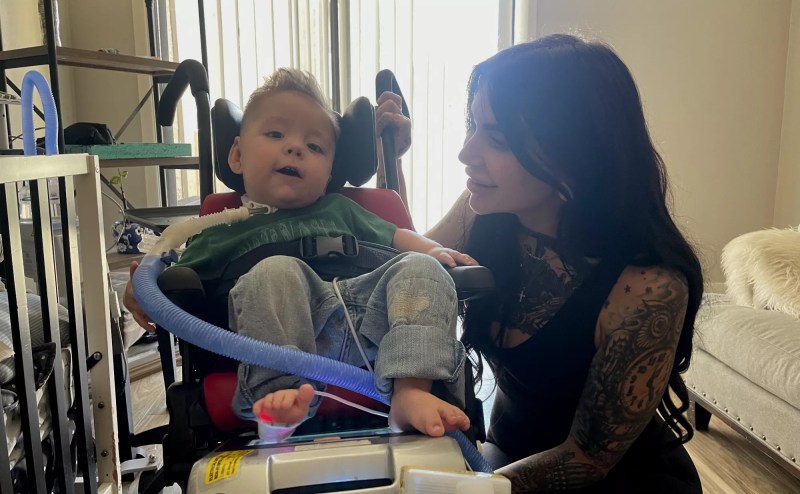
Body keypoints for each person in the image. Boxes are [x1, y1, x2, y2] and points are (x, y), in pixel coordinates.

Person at [379, 34, 704, 493]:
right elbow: (413, 263)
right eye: (473, 125)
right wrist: (388, 161)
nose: (466, 152)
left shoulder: (648, 288)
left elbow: (589, 458)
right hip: (502, 464)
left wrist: (467, 487)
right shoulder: (486, 212)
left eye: (497, 137)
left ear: (572, 152)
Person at [125, 67, 475, 442]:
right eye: (276, 134)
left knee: (421, 268)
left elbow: (396, 235)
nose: (295, 148)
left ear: (328, 172)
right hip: (285, 337)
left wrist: (432, 251)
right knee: (274, 271)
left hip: (375, 328)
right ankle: (279, 395)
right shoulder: (218, 227)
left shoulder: (341, 208)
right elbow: (169, 282)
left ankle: (411, 388)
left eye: (315, 147)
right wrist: (140, 290)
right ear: (238, 155)